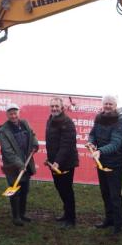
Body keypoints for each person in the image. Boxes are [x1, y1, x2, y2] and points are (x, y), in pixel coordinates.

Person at [88, 95, 122, 236]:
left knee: (115, 195)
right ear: (102, 104)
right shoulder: (98, 118)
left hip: (115, 164)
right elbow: (92, 134)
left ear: (115, 105)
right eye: (106, 103)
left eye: (111, 104)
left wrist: (100, 151)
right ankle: (108, 219)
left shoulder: (121, 121)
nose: (108, 106)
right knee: (105, 193)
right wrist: (91, 142)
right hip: (101, 162)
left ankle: (118, 224)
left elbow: (116, 143)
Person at [0, 103, 39, 226]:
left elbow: (32, 134)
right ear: (7, 115)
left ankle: (22, 214)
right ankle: (16, 217)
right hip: (13, 166)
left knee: (25, 189)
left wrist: (35, 144)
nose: (13, 116)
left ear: (18, 113)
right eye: (10, 113)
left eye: (15, 113)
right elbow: (7, 151)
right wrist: (20, 164)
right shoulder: (3, 130)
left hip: (26, 162)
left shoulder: (24, 123)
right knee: (15, 190)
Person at [45, 97, 78, 228]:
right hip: (54, 163)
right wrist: (50, 160)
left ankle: (71, 219)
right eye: (52, 106)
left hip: (66, 163)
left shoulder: (67, 122)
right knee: (60, 188)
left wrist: (57, 162)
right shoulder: (50, 119)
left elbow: (66, 145)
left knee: (67, 190)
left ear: (62, 107)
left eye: (56, 106)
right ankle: (66, 214)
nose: (54, 108)